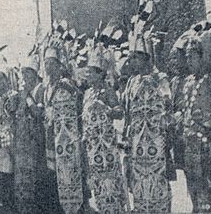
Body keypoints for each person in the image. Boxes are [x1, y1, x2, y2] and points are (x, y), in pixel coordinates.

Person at [122, 27, 176, 213]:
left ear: (145, 57)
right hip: (137, 143)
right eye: (131, 57)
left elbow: (168, 105)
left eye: (135, 57)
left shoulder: (159, 78)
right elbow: (127, 113)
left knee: (157, 183)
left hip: (156, 141)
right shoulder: (131, 82)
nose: (131, 62)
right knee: (139, 185)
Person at [171, 23, 211, 212]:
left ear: (203, 57)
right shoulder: (189, 82)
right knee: (196, 184)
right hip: (191, 145)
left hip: (210, 144)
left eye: (193, 56)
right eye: (188, 56)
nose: (189, 60)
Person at [81, 44, 128, 213]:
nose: (88, 74)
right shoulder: (87, 94)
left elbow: (119, 112)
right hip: (92, 147)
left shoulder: (107, 91)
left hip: (106, 147)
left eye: (91, 71)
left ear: (100, 73)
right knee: (98, 185)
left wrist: (106, 109)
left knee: (110, 184)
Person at [43, 47, 90, 214]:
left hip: (68, 135)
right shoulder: (47, 87)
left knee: (73, 172)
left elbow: (78, 104)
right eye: (46, 63)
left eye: (52, 63)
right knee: (57, 174)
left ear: (59, 65)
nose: (49, 67)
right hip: (52, 135)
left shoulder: (67, 84)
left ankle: (79, 208)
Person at [14, 55, 49, 214]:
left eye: (28, 73)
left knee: (38, 173)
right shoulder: (23, 93)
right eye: (23, 74)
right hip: (23, 139)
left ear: (35, 74)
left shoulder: (41, 89)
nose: (25, 77)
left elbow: (37, 113)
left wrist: (27, 97)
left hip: (37, 138)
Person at [0, 70, 17, 211]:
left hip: (10, 135)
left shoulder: (12, 95)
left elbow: (13, 115)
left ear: (6, 80)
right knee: (0, 170)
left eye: (0, 79)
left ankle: (12, 202)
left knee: (10, 169)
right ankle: (5, 202)